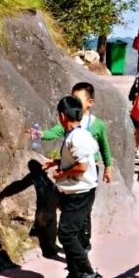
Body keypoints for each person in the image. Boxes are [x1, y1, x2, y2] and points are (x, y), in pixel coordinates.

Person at [33, 81, 113, 250]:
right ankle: (74, 243)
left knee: (85, 211)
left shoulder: (97, 125)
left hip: (88, 170)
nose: (73, 101)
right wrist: (39, 134)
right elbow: (54, 132)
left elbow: (105, 147)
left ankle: (84, 244)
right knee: (70, 208)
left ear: (90, 103)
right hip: (71, 170)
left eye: (76, 98)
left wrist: (108, 167)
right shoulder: (69, 120)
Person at [44, 95, 102, 278]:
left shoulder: (77, 137)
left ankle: (87, 274)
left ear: (62, 116)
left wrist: (62, 173)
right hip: (75, 193)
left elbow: (82, 166)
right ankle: (75, 276)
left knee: (67, 234)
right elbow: (78, 159)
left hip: (80, 194)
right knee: (73, 234)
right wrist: (58, 162)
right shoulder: (78, 135)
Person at [0, 159, 59, 258]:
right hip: (52, 208)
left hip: (44, 209)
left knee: (44, 235)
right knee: (49, 232)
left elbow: (18, 186)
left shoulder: (35, 176)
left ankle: (47, 251)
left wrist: (2, 195)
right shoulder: (46, 178)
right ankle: (50, 249)